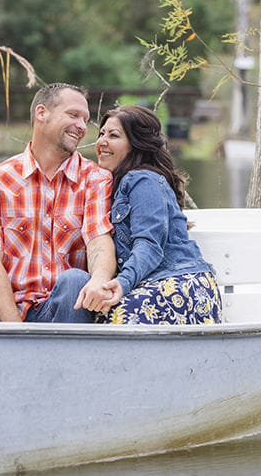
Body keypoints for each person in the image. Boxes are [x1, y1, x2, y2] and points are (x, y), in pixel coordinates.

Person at [0, 83, 119, 331]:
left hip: (61, 311)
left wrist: (100, 279)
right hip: (3, 314)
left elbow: (98, 243)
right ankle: (3, 362)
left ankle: (63, 366)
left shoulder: (95, 179)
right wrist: (15, 331)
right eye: (73, 115)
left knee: (75, 281)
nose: (82, 126)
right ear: (42, 113)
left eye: (85, 119)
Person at [76, 104, 222, 325]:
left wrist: (123, 282)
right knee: (96, 310)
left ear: (136, 145)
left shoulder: (143, 180)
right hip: (156, 285)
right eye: (102, 133)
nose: (102, 142)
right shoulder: (114, 185)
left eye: (114, 135)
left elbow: (149, 245)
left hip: (179, 285)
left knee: (114, 318)